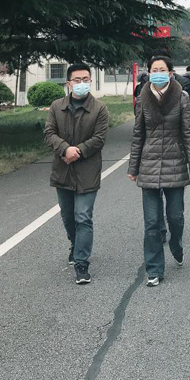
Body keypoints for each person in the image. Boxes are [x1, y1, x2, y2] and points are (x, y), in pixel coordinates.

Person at [128, 56, 190, 287]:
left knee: (175, 217)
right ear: (149, 73)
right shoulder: (142, 98)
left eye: (162, 70)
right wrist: (133, 166)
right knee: (151, 223)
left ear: (170, 73)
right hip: (149, 164)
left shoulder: (182, 97)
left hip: (174, 162)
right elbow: (138, 134)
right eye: (154, 70)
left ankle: (176, 246)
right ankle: (154, 269)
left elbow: (188, 131)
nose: (158, 73)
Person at [43, 63, 110, 285]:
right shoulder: (57, 107)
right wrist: (65, 149)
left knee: (83, 216)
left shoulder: (99, 109)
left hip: (87, 171)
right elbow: (49, 133)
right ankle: (75, 243)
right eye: (77, 80)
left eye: (86, 79)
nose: (82, 83)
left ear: (91, 81)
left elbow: (99, 138)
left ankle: (82, 263)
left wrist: (78, 151)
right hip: (62, 170)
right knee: (68, 216)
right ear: (69, 83)